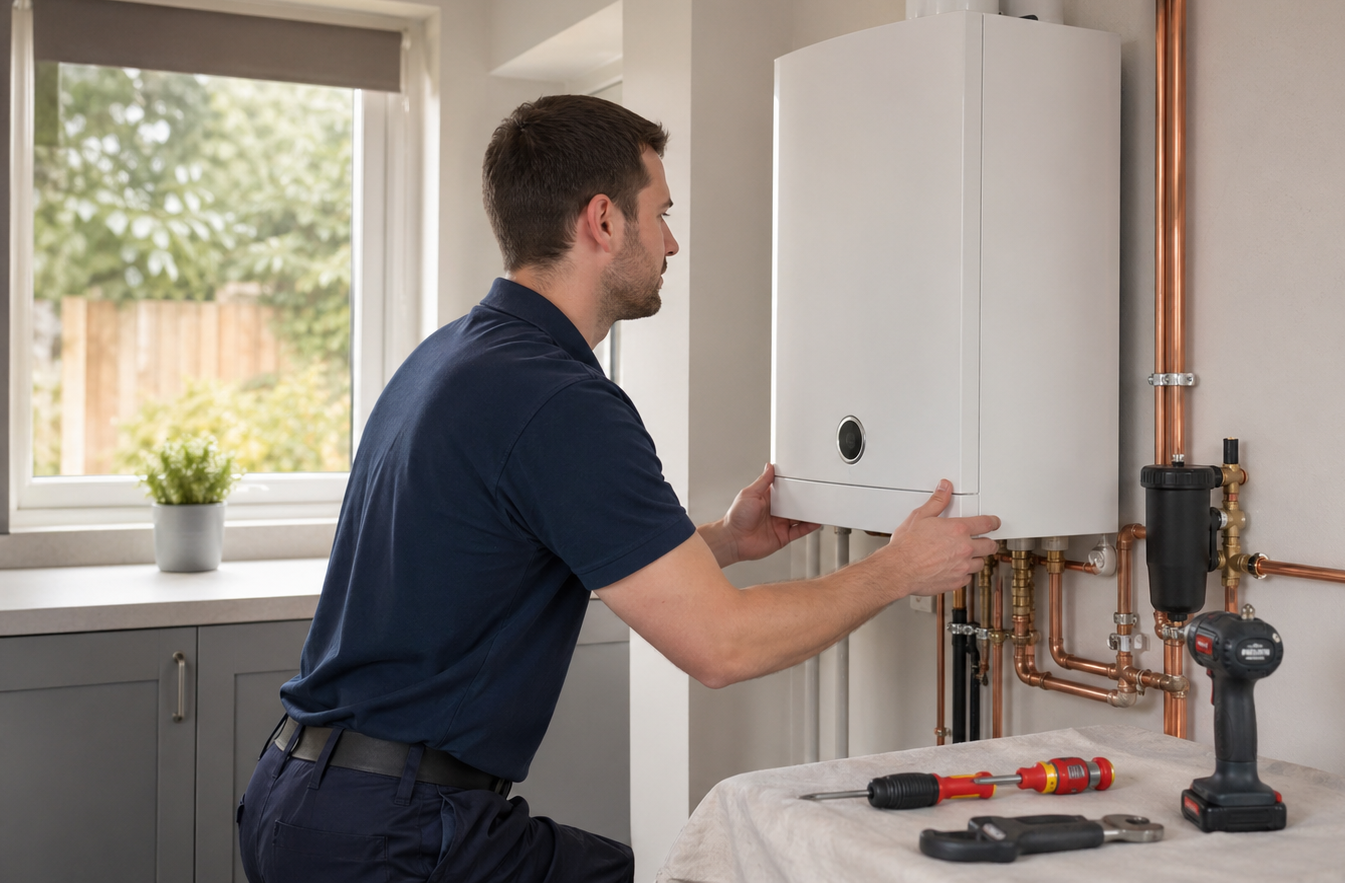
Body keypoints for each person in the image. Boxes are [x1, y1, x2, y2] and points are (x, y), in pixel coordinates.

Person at [236, 94, 1001, 883]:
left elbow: (527, 553)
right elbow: (721, 645)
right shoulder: (558, 398)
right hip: (390, 834)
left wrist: (726, 541)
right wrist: (901, 567)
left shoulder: (457, 355)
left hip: (303, 800)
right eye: (660, 213)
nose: (672, 242)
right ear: (602, 221)